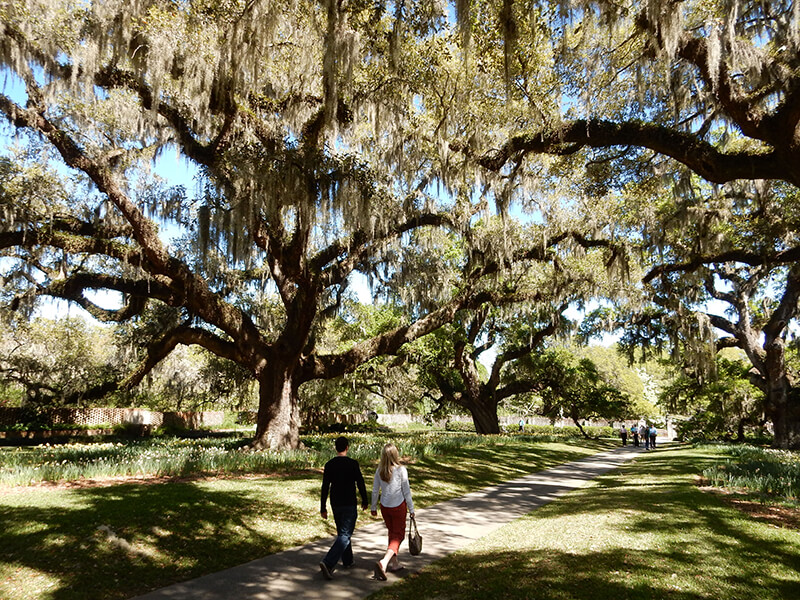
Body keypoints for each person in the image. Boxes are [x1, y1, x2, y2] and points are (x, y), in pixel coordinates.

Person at [319, 436, 369, 580]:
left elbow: (325, 487)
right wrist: (365, 500)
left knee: (343, 532)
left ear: (336, 448)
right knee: (345, 534)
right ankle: (328, 562)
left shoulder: (329, 465)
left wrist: (323, 507)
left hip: (335, 503)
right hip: (349, 502)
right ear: (347, 447)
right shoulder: (353, 464)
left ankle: (348, 560)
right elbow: (360, 483)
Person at [370, 442, 415, 581]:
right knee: (399, 535)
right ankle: (383, 562)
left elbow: (375, 490)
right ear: (395, 455)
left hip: (385, 506)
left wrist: (373, 507)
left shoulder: (380, 471)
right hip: (398, 506)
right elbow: (406, 492)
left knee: (392, 533)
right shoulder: (401, 470)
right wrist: (412, 509)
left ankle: (395, 563)